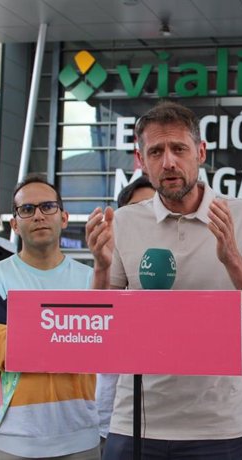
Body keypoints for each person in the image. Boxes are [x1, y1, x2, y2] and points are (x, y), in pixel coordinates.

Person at [86, 100, 242, 460]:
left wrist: (233, 261)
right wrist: (100, 267)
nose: (169, 162)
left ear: (201, 152)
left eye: (179, 149)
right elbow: (100, 335)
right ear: (141, 161)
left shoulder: (240, 214)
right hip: (136, 422)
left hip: (217, 423)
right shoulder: (125, 221)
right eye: (156, 152)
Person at [0, 174, 111, 459]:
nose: (38, 215)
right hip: (1, 443)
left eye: (48, 207)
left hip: (79, 440)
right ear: (14, 224)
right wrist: (76, 329)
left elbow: (103, 349)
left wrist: (24, 333)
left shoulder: (92, 279)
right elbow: (1, 351)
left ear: (64, 217)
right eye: (27, 209)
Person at [95, 176, 156, 450]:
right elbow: (97, 331)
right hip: (116, 421)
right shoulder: (104, 271)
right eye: (137, 210)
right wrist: (102, 267)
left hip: (171, 425)